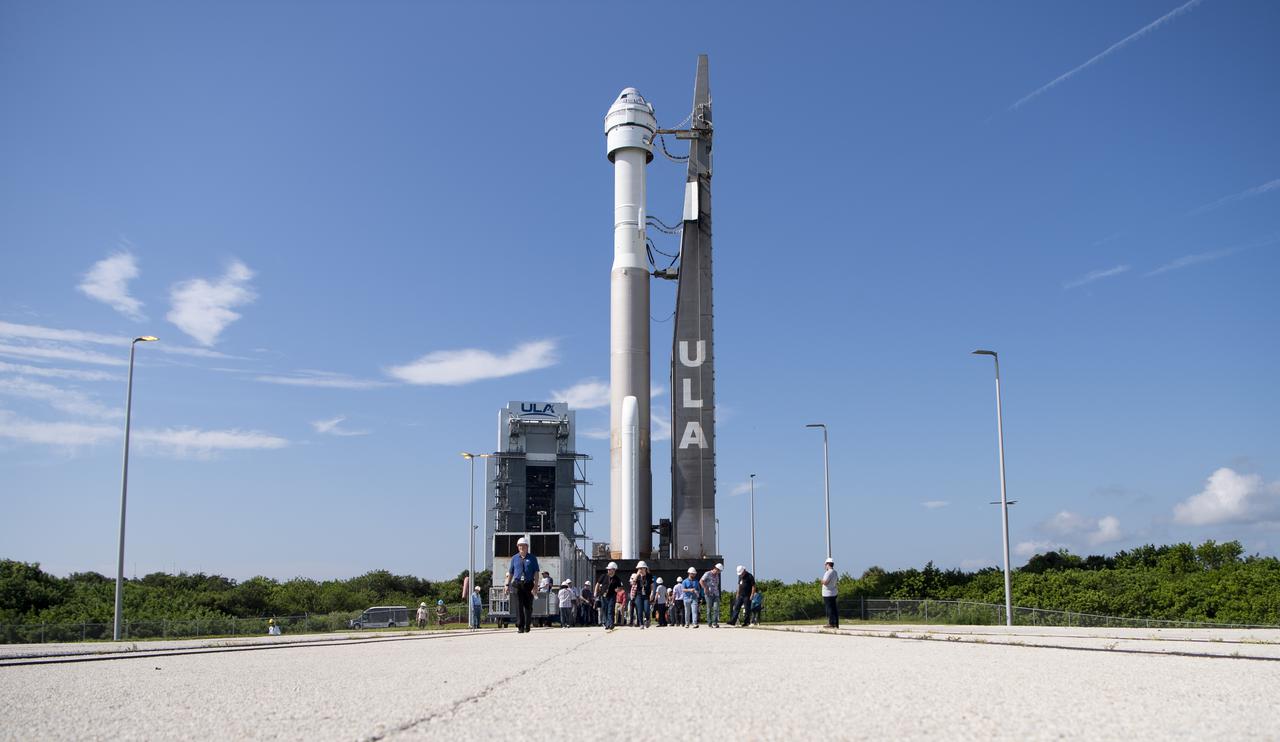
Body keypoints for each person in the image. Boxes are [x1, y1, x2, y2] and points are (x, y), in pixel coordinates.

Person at [504, 536, 540, 633]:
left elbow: (536, 572)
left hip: (528, 584)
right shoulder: (514, 558)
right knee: (518, 606)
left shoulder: (532, 558)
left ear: (527, 547)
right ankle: (520, 626)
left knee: (528, 606)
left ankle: (527, 625)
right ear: (517, 547)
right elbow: (511, 572)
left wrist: (536, 585)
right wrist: (507, 585)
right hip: (517, 584)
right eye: (519, 546)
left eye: (523, 546)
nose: (521, 548)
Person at [699, 563, 723, 628]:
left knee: (716, 608)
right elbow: (701, 581)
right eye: (719, 571)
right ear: (715, 569)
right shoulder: (707, 573)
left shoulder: (717, 576)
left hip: (716, 594)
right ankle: (709, 623)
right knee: (709, 609)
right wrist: (705, 588)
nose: (719, 572)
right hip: (709, 594)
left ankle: (715, 623)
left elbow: (716, 585)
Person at [600, 562, 621, 629]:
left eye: (610, 569)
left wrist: (618, 589)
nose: (608, 570)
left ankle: (611, 624)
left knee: (610, 609)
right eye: (608, 569)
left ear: (614, 570)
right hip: (603, 596)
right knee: (604, 609)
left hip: (612, 596)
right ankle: (606, 624)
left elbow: (620, 587)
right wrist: (595, 591)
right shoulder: (603, 576)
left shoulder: (617, 578)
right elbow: (598, 583)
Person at [634, 562, 654, 629]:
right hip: (639, 595)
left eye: (641, 568)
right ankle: (641, 624)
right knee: (639, 610)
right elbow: (633, 583)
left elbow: (652, 586)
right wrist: (637, 575)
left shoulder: (649, 576)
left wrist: (652, 593)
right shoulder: (637, 576)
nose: (640, 570)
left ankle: (648, 619)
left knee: (646, 610)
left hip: (646, 595)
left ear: (645, 568)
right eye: (639, 568)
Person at [821, 557, 839, 629]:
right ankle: (836, 623)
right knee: (834, 608)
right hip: (834, 592)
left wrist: (821, 580)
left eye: (825, 564)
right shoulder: (835, 572)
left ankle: (831, 623)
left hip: (828, 593)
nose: (825, 566)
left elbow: (825, 582)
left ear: (828, 564)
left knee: (830, 609)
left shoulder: (828, 572)